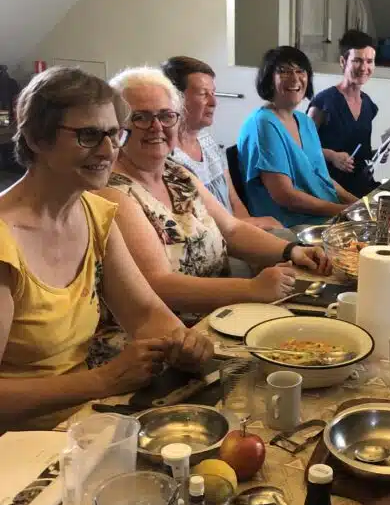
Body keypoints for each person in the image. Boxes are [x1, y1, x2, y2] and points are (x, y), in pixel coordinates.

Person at [0, 67, 212, 428]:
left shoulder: (94, 213)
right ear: (36, 138)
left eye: (114, 134)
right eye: (88, 136)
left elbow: (144, 314)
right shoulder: (6, 241)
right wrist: (102, 380)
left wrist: (186, 343)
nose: (108, 150)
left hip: (80, 425)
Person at [97, 67, 330, 329]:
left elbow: (231, 230)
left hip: (220, 315)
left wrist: (292, 250)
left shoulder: (175, 173)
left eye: (166, 116)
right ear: (116, 128)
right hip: (169, 332)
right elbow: (158, 284)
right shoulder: (113, 193)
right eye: (140, 117)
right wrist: (252, 289)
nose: (157, 127)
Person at [237, 47, 357, 228]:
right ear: (269, 78)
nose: (294, 78)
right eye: (284, 71)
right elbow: (286, 196)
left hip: (326, 215)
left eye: (300, 71)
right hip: (292, 224)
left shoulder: (305, 121)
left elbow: (323, 179)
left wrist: (358, 204)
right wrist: (343, 211)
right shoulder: (263, 124)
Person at [161, 56, 280, 230]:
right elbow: (198, 229)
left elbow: (235, 203)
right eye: (203, 94)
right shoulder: (168, 158)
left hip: (235, 232)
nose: (214, 102)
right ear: (175, 99)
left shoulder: (207, 141)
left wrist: (253, 230)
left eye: (213, 93)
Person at [308, 30, 381, 199]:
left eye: (369, 61)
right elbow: (302, 147)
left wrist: (377, 154)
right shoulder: (323, 103)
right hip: (329, 189)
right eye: (357, 60)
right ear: (343, 62)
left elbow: (357, 149)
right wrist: (332, 156)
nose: (364, 67)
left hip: (362, 186)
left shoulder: (368, 105)